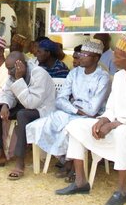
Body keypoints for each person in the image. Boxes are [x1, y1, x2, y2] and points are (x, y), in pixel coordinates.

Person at [56, 36, 126, 205]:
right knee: (75, 125)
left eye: (118, 56)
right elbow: (111, 108)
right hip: (115, 123)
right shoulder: (118, 77)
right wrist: (103, 120)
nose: (113, 59)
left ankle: (121, 190)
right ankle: (80, 182)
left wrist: (114, 124)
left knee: (122, 132)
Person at [26, 39, 109, 178]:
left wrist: (76, 108)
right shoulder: (74, 73)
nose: (80, 57)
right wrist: (75, 109)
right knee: (49, 123)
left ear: (96, 58)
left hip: (92, 117)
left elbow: (93, 109)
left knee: (69, 127)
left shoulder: (103, 77)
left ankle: (72, 166)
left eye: (85, 54)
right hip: (73, 112)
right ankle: (67, 161)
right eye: (81, 53)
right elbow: (61, 99)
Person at [0, 51, 55, 179]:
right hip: (25, 105)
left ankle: (20, 163)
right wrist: (5, 105)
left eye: (10, 69)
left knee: (22, 115)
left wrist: (19, 78)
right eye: (8, 69)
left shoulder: (39, 74)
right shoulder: (12, 73)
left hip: (42, 109)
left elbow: (31, 103)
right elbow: (7, 93)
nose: (9, 73)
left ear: (21, 64)